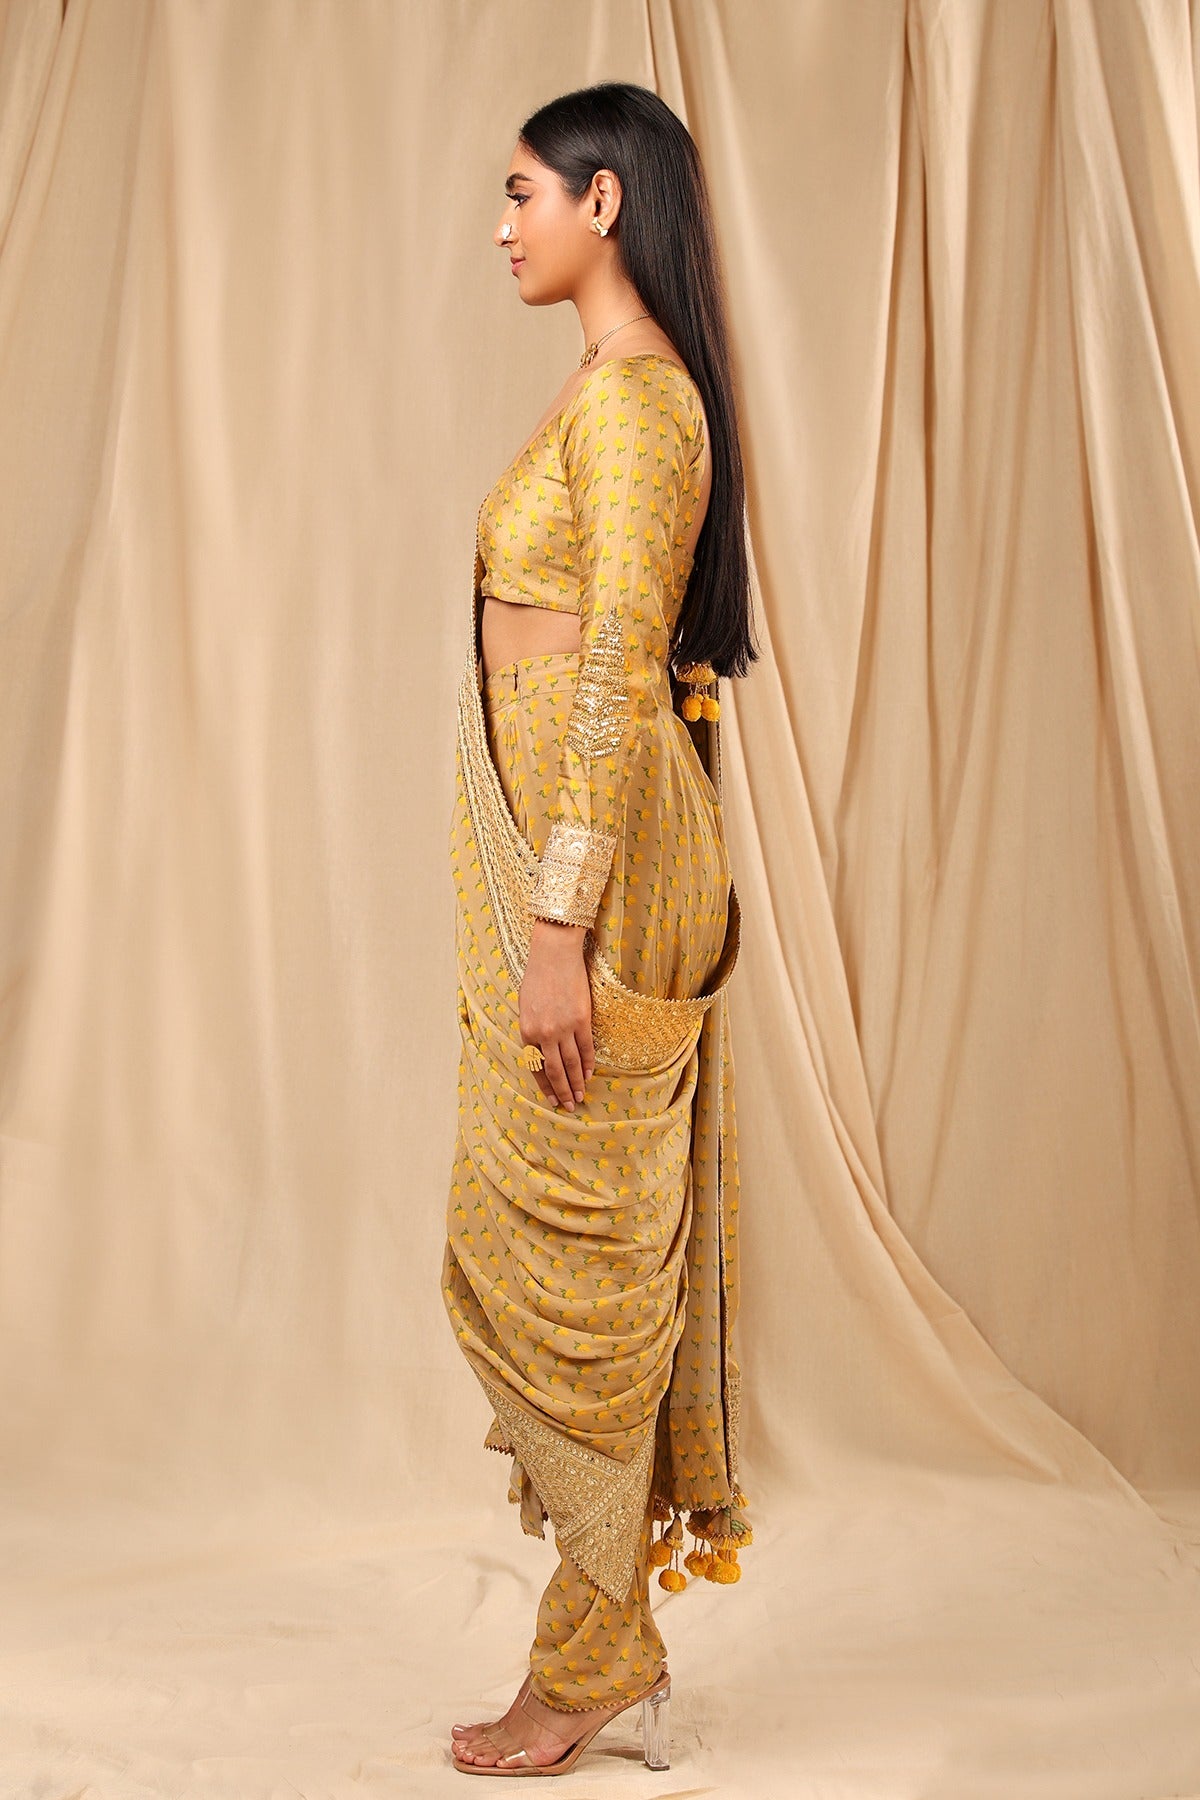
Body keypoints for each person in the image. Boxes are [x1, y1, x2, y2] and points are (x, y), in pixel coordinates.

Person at [441, 80, 759, 1777]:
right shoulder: (604, 387)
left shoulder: (639, 404)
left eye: (523, 193)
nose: (504, 225)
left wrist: (559, 924)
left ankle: (590, 1660)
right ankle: (594, 1643)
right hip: (577, 848)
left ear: (604, 202)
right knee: (548, 1248)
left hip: (605, 868)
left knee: (586, 1266)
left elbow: (620, 669)